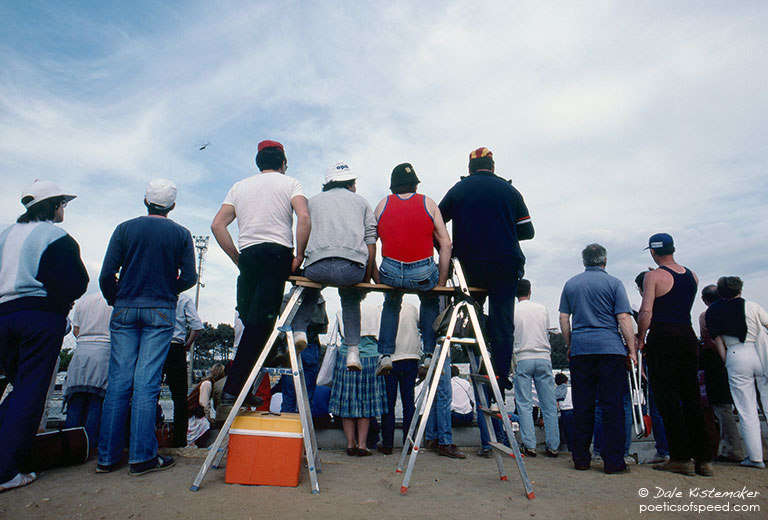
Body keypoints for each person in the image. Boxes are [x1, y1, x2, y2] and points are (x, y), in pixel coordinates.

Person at [97, 178, 196, 476]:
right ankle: (142, 458)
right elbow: (190, 276)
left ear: (145, 201)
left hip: (125, 307)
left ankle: (107, 457)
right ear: (173, 206)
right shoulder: (181, 233)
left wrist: (117, 299)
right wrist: (169, 289)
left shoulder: (124, 229)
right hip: (160, 309)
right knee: (147, 383)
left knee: (118, 383)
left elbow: (106, 274)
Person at [0, 180, 88, 492]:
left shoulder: (5, 234)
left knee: (17, 389)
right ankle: (6, 470)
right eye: (61, 203)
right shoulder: (55, 235)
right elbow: (77, 282)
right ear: (52, 206)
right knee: (31, 392)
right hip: (38, 315)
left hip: (3, 315)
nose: (63, 208)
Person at [211, 140, 309, 404]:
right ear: (283, 164)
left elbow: (218, 225)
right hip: (277, 253)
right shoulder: (291, 184)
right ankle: (233, 391)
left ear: (258, 163)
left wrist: (237, 258)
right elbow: (304, 216)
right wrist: (298, 255)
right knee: (259, 323)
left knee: (248, 318)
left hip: (250, 254)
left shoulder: (239, 187)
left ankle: (239, 388)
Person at [439, 147, 534, 390]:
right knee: (503, 321)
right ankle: (500, 375)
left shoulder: (459, 189)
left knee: (471, 316)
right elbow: (527, 231)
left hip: (469, 267)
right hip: (505, 264)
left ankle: (479, 356)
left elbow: (436, 224)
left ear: (469, 169)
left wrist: (446, 253)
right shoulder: (510, 191)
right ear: (492, 167)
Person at [637, 233, 712, 477]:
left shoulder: (653, 276)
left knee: (667, 397)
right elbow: (677, 295)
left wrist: (640, 338)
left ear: (652, 252)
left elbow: (646, 312)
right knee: (691, 397)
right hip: (687, 335)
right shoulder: (692, 275)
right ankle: (704, 459)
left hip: (663, 336)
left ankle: (680, 457)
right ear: (673, 248)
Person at [559, 243, 636, 474]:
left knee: (583, 405)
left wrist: (570, 344)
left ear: (584, 261)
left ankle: (581, 459)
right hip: (610, 349)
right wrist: (631, 349)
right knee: (612, 405)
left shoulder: (571, 284)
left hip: (582, 349)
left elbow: (564, 318)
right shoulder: (615, 283)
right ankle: (614, 462)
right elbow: (623, 318)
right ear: (605, 261)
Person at [291, 161, 377, 371]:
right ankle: (353, 351)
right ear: (352, 183)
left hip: (317, 265)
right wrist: (366, 276)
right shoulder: (362, 202)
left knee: (310, 288)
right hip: (350, 268)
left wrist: (301, 257)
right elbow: (371, 241)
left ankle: (299, 330)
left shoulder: (313, 201)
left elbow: (303, 230)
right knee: (350, 298)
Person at [374, 162, 451, 375]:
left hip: (389, 270)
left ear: (393, 187)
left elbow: (369, 241)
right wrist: (441, 281)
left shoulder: (382, 205)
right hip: (422, 272)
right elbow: (446, 244)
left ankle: (386, 354)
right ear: (415, 186)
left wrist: (375, 277)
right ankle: (427, 354)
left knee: (391, 302)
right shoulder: (428, 203)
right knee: (428, 299)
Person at [705, 276, 768, 469]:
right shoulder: (752, 305)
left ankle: (755, 457)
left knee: (746, 409)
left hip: (735, 353)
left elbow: (717, 340)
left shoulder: (713, 310)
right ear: (740, 289)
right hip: (759, 352)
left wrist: (727, 362)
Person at [328, 303, 386, 456]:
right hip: (370, 358)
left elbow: (339, 333)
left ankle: (350, 443)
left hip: (346, 357)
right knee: (366, 404)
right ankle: (362, 445)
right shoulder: (375, 311)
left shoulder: (342, 310)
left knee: (347, 402)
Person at [513, 279, 559, 457]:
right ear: (530, 291)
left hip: (523, 357)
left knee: (524, 403)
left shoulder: (513, 310)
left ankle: (529, 444)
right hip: (543, 357)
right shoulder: (542, 309)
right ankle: (553, 445)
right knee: (548, 404)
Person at [698, 284, 744, 463]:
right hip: (742, 355)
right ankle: (759, 449)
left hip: (717, 362)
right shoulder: (739, 311)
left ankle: (733, 449)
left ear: (704, 299)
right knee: (747, 406)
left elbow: (707, 338)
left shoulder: (706, 315)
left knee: (722, 408)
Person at [63, 292, 112, 455]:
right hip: (104, 350)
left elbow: (76, 330)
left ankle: (69, 446)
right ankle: (88, 447)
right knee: (96, 400)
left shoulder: (84, 301)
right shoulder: (114, 300)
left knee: (76, 399)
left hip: (81, 351)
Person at [633, 271, 670, 465]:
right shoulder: (669, 306)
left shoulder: (643, 310)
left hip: (652, 357)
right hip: (674, 354)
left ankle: (664, 450)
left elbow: (641, 336)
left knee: (656, 405)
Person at [379, 302, 420, 455]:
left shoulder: (383, 309)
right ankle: (408, 442)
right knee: (409, 403)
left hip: (391, 358)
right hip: (411, 356)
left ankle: (387, 444)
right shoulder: (412, 308)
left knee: (388, 404)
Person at [163, 291, 203, 448]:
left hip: (155, 344)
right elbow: (197, 326)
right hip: (176, 345)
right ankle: (179, 441)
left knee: (149, 394)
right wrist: (188, 343)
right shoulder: (184, 297)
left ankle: (150, 436)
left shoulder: (156, 290)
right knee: (179, 397)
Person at [281, 293, 327, 413]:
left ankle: (288, 426)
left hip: (290, 345)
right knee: (307, 396)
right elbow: (323, 327)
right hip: (310, 344)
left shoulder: (286, 299)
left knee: (289, 395)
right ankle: (304, 428)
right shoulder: (318, 300)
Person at [186, 364, 225, 447]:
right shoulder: (207, 383)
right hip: (192, 413)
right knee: (205, 425)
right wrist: (208, 417)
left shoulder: (210, 382)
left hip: (195, 411)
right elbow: (204, 403)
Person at [555, 373, 574, 452]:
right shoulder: (571, 389)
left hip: (565, 412)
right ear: (566, 381)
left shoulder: (556, 391)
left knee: (568, 433)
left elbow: (556, 405)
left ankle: (570, 449)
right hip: (574, 410)